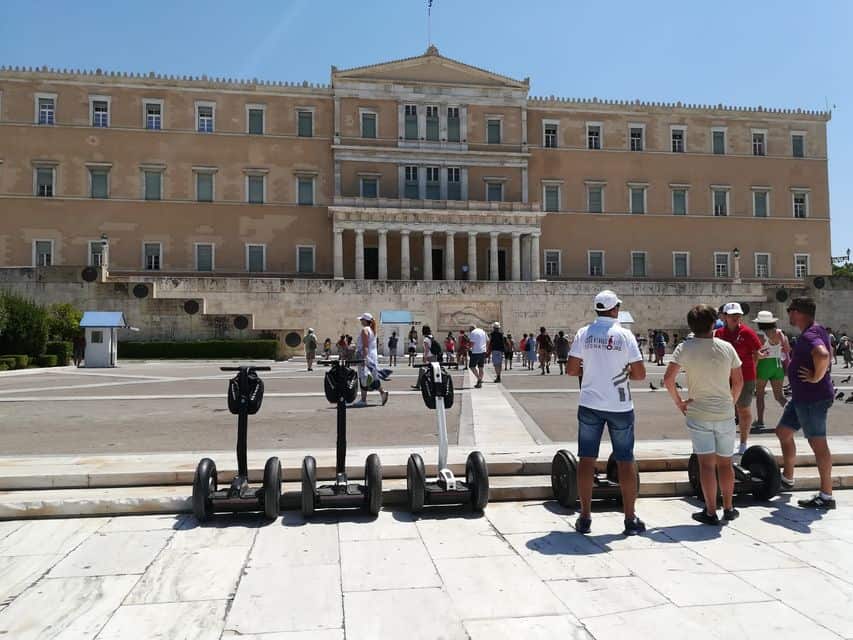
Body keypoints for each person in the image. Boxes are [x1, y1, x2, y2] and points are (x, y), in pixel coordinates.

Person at [568, 290, 646, 535]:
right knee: (625, 461)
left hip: (590, 403)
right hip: (620, 406)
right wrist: (623, 372)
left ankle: (585, 517)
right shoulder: (625, 335)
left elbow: (571, 370)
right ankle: (630, 518)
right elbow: (641, 374)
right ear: (615, 309)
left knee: (586, 460)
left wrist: (591, 368)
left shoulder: (584, 333)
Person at [664, 304, 743, 525]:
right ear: (713, 323)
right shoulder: (726, 347)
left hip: (698, 412)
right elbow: (738, 381)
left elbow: (668, 380)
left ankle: (710, 511)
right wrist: (731, 402)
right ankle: (728, 507)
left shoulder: (685, 348)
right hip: (724, 412)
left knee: (706, 465)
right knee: (726, 464)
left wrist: (679, 403)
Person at [775, 297, 836, 508]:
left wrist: (817, 377)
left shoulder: (810, 334)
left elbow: (823, 354)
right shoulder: (815, 330)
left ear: (799, 312)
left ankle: (826, 495)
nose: (789, 313)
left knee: (817, 444)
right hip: (801, 398)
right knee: (783, 431)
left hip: (812, 399)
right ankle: (788, 478)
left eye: (790, 310)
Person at [714, 302, 762, 455]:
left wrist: (751, 369)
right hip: (723, 376)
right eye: (732, 315)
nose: (735, 317)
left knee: (743, 409)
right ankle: (722, 442)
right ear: (724, 317)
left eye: (738, 315)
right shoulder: (719, 333)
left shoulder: (747, 333)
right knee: (723, 409)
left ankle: (743, 443)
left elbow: (757, 353)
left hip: (745, 376)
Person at [752, 310, 791, 430]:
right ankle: (795, 416)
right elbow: (787, 349)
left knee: (759, 395)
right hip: (777, 364)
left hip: (764, 365)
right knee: (779, 396)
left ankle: (760, 421)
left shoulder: (759, 334)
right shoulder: (779, 333)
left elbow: (757, 352)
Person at [353, 312, 389, 407]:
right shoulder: (373, 331)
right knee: (371, 377)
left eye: (362, 319)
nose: (360, 321)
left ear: (365, 321)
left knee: (363, 377)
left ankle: (364, 399)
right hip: (372, 356)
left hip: (365, 356)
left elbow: (365, 346)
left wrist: (364, 358)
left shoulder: (365, 330)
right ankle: (382, 392)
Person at [468, 323, 487, 389]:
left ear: (471, 329)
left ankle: (479, 379)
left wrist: (468, 347)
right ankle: (479, 382)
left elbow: (472, 343)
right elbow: (488, 340)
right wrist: (485, 348)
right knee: (481, 367)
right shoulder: (483, 331)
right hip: (483, 351)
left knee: (472, 366)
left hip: (475, 352)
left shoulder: (473, 333)